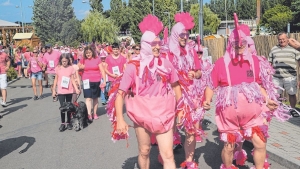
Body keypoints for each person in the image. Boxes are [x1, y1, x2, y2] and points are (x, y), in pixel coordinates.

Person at [203, 13, 290, 169]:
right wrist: (207, 100)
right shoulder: (221, 63)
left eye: (243, 42)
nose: (240, 45)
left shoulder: (254, 61)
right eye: (236, 42)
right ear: (231, 43)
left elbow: (259, 84)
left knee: (260, 142)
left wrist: (267, 99)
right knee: (229, 147)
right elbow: (210, 84)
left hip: (253, 114)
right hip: (229, 116)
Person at [107, 14, 183, 169]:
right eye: (152, 44)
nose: (156, 46)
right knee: (144, 151)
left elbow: (176, 86)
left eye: (158, 43)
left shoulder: (166, 64)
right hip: (141, 115)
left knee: (168, 154)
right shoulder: (133, 66)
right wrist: (120, 120)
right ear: (144, 45)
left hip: (164, 114)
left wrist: (181, 110)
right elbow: (120, 94)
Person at [166, 12, 205, 168]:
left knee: (190, 128)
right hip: (170, 95)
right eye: (181, 34)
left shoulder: (191, 51)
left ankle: (189, 161)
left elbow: (200, 72)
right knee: (169, 128)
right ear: (175, 35)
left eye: (186, 34)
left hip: (189, 95)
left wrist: (194, 73)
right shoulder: (167, 54)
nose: (184, 37)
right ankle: (167, 156)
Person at [268, 32, 300, 117]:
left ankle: (293, 109)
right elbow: (269, 62)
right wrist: (268, 73)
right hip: (276, 77)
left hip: (290, 76)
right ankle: (278, 110)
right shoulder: (274, 49)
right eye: (280, 39)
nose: (282, 41)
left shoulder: (293, 49)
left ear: (287, 39)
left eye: (283, 39)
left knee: (292, 94)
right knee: (277, 95)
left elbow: (299, 61)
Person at [52, 53, 80, 131]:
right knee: (62, 107)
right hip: (61, 91)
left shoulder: (71, 68)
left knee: (68, 107)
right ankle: (62, 123)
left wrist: (76, 89)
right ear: (61, 61)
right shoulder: (58, 68)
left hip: (69, 90)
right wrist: (54, 90)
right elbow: (56, 79)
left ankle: (68, 122)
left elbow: (72, 79)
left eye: (66, 61)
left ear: (68, 61)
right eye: (63, 61)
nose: (64, 63)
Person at [78, 46, 106, 121]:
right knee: (88, 98)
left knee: (95, 98)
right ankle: (89, 114)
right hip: (86, 81)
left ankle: (95, 113)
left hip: (96, 80)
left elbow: (102, 70)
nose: (88, 54)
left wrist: (104, 81)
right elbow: (77, 67)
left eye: (89, 53)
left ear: (92, 52)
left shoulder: (97, 59)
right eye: (86, 53)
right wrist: (81, 67)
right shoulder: (83, 60)